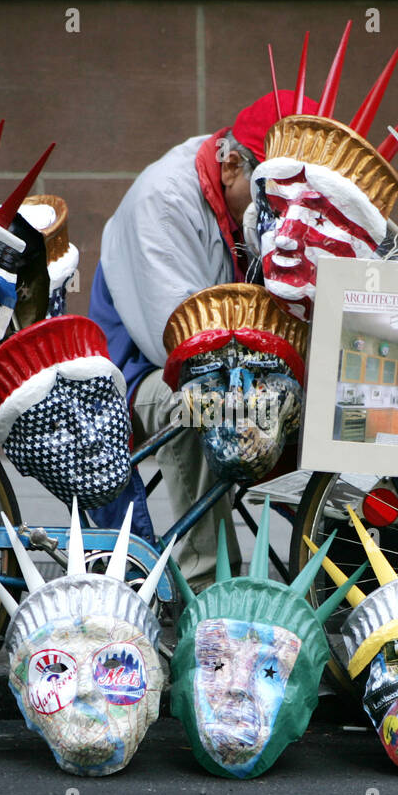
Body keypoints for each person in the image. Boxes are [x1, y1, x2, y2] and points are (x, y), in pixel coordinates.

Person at [88, 90, 313, 586]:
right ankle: (205, 580)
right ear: (231, 165)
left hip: (233, 355)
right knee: (200, 405)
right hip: (141, 369)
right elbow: (180, 349)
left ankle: (321, 564)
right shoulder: (164, 200)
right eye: (269, 200)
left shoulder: (232, 187)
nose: (274, 215)